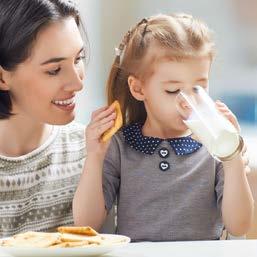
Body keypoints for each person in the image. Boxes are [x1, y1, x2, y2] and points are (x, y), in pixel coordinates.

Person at [73, 13, 254, 241]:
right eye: (172, 90)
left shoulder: (215, 146)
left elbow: (239, 226)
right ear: (138, 89)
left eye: (199, 88)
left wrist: (232, 158)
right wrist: (95, 157)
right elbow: (86, 224)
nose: (188, 102)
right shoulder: (120, 145)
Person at [0, 0, 96, 238]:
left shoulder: (90, 152)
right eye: (54, 70)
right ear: (2, 77)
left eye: (78, 59)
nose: (78, 83)